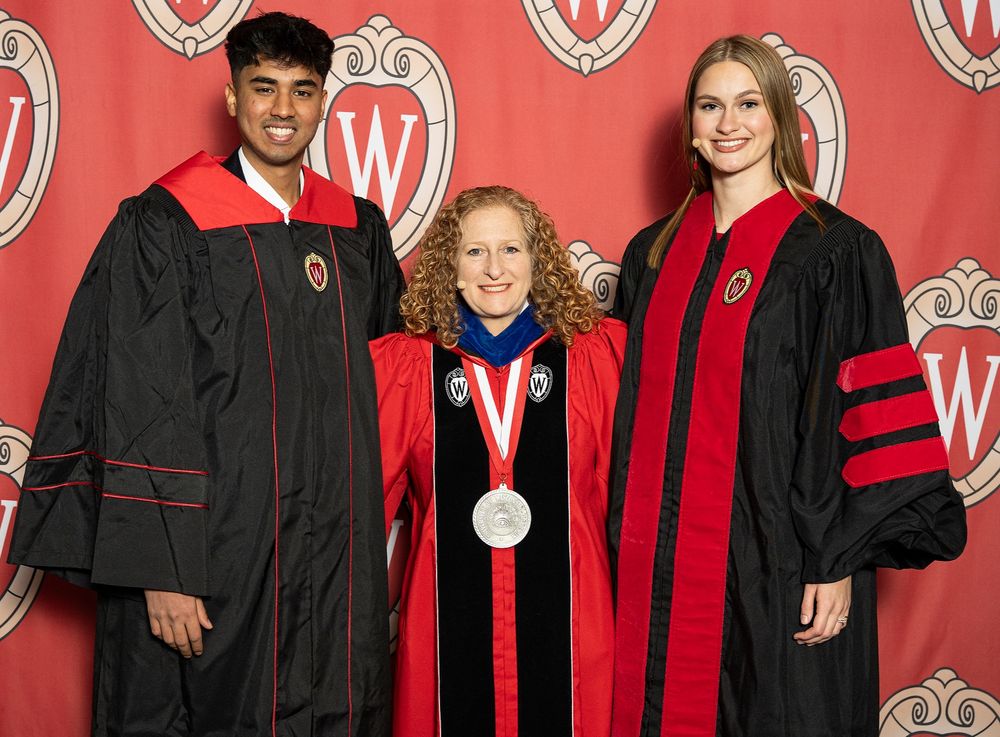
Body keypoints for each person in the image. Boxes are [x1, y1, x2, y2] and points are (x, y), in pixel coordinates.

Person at [8, 12, 402, 737]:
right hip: (217, 555)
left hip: (335, 559)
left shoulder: (357, 230)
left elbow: (394, 392)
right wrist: (162, 567)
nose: (282, 109)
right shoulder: (167, 222)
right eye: (263, 87)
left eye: (302, 90)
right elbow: (139, 398)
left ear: (323, 101)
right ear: (231, 97)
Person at [608, 35, 967, 737]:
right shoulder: (651, 255)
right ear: (691, 125)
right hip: (659, 566)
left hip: (779, 559)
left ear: (780, 116)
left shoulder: (835, 251)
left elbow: (860, 416)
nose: (729, 123)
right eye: (710, 106)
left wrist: (835, 559)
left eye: (748, 103)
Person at [370, 186, 625, 737]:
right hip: (445, 621)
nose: (494, 269)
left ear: (537, 263)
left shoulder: (595, 357)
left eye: (510, 250)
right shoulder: (406, 368)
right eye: (474, 251)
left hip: (575, 623)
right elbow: (352, 503)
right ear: (451, 269)